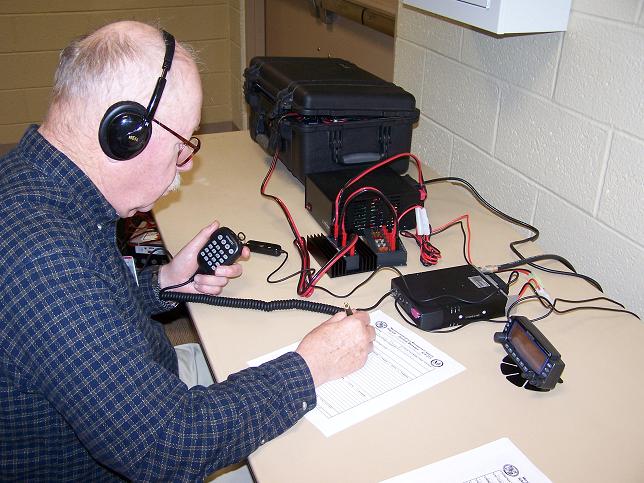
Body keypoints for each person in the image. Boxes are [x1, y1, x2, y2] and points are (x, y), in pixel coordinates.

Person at [0, 21, 375, 481]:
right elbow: (168, 447)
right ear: (127, 133)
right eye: (183, 142)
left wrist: (162, 283)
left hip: (140, 388)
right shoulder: (42, 258)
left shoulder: (37, 183)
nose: (189, 162)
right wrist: (311, 367)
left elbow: (81, 312)